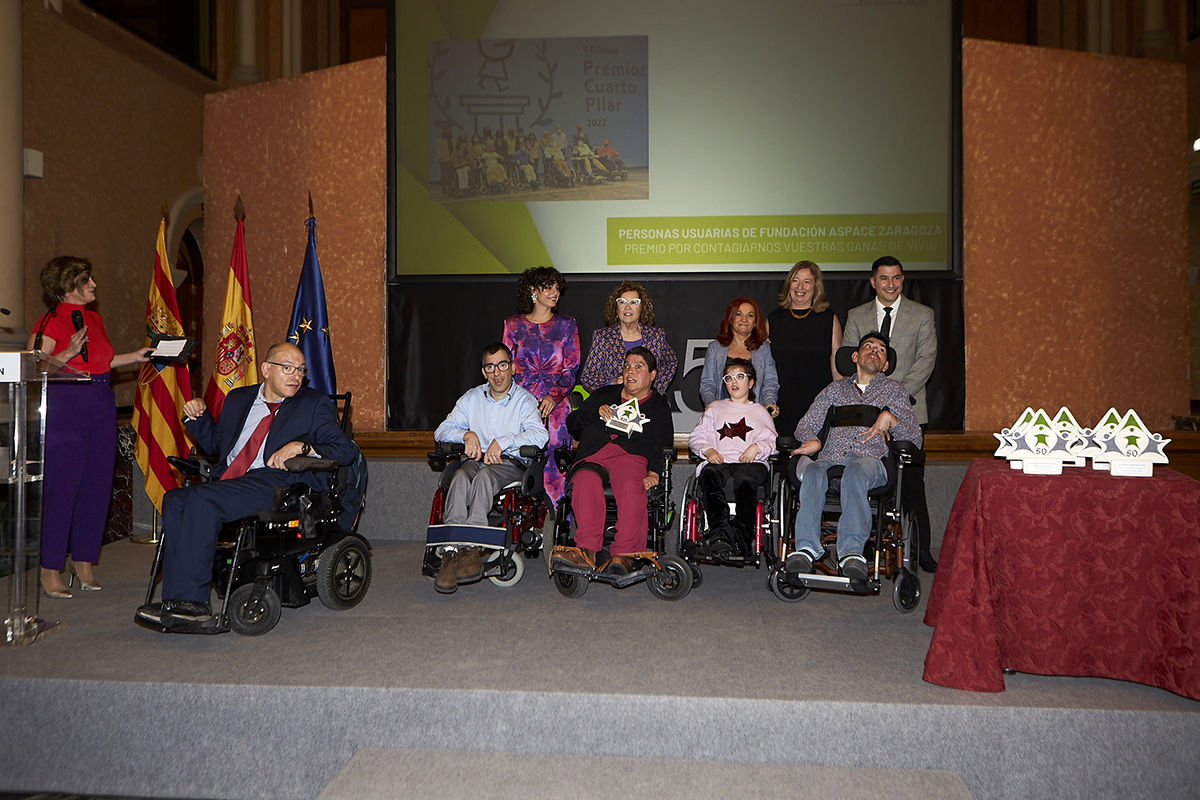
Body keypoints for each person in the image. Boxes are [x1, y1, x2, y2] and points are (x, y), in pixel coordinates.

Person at [135, 342, 357, 628]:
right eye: (287, 368)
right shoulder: (238, 398)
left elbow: (344, 451)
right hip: (232, 480)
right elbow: (216, 444)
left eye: (301, 370)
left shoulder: (313, 404)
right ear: (266, 369)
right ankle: (175, 600)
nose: (296, 376)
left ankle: (193, 603)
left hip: (276, 482)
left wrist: (302, 447)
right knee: (175, 499)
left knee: (201, 499)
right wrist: (198, 416)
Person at [28, 256, 152, 598]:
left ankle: (83, 561)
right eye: (86, 280)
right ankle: (50, 566)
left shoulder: (93, 318)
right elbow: (34, 368)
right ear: (68, 286)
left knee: (97, 485)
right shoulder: (50, 320)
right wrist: (67, 353)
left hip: (101, 402)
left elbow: (101, 361)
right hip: (66, 407)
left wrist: (135, 356)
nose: (94, 284)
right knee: (62, 488)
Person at [784, 332, 922, 581]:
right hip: (831, 458)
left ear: (886, 365)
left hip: (871, 461)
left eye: (881, 350)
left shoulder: (894, 391)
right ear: (855, 356)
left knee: (855, 472)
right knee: (813, 470)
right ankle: (806, 549)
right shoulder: (834, 390)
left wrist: (891, 419)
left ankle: (851, 553)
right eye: (869, 346)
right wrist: (813, 440)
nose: (875, 351)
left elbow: (915, 438)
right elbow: (806, 424)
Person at [842, 255, 938, 572]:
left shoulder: (922, 314)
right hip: (864, 413)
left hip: (908, 411)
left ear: (902, 279)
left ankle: (921, 550)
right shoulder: (856, 315)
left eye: (896, 277)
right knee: (866, 479)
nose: (890, 284)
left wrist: (892, 399)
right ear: (873, 282)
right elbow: (848, 359)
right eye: (884, 278)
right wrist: (871, 401)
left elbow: (926, 360)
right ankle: (867, 547)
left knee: (911, 486)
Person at [431, 343, 548, 593]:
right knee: (459, 476)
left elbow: (540, 436)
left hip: (510, 464)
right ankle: (451, 551)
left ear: (512, 368)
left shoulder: (524, 400)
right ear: (484, 372)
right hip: (476, 461)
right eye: (491, 367)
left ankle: (472, 548)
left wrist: (505, 441)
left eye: (502, 365)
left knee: (484, 475)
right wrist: (466, 435)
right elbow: (441, 431)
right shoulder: (471, 398)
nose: (497, 373)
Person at [551, 347, 674, 573]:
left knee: (631, 486)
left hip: (631, 455)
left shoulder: (658, 406)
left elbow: (661, 443)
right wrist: (595, 412)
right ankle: (586, 551)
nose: (630, 371)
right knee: (584, 482)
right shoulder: (605, 394)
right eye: (627, 366)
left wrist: (654, 472)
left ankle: (624, 555)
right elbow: (573, 424)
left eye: (638, 367)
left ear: (652, 375)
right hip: (594, 453)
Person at [502, 267, 580, 507]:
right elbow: (504, 369)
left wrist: (552, 397)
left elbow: (571, 369)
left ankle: (555, 521)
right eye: (548, 287)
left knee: (555, 466)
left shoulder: (567, 325)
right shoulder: (513, 325)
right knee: (519, 458)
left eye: (557, 287)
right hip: (520, 404)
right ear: (533, 290)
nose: (555, 292)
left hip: (556, 408)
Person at [688, 359, 777, 558]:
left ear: (751, 382)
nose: (733, 381)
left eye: (740, 376)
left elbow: (772, 442)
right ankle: (719, 534)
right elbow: (696, 437)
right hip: (720, 461)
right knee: (709, 474)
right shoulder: (714, 408)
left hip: (750, 463)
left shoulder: (760, 411)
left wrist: (756, 447)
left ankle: (741, 539)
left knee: (745, 479)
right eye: (728, 378)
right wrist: (708, 450)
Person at [767, 260, 842, 438]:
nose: (800, 287)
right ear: (788, 285)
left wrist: (838, 404)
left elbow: (837, 366)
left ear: (816, 287)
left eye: (807, 281)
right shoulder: (773, 320)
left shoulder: (829, 319)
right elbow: (763, 366)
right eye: (795, 280)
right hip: (780, 407)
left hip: (819, 406)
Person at [580, 281, 677, 395]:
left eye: (634, 302)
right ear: (616, 308)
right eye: (622, 302)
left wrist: (654, 389)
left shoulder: (655, 336)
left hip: (648, 401)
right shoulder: (603, 337)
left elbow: (671, 362)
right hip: (613, 400)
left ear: (642, 308)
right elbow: (588, 377)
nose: (627, 307)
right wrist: (611, 383)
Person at [699, 297, 779, 417]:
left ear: (755, 322)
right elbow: (707, 384)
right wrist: (713, 405)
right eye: (738, 314)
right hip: (721, 415)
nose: (744, 319)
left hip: (754, 416)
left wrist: (769, 404)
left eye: (750, 315)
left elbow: (770, 383)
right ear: (730, 319)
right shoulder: (715, 348)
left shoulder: (764, 349)